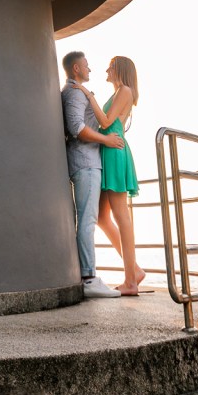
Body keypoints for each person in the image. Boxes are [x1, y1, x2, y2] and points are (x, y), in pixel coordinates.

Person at [60, 50, 124, 299]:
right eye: (86, 66)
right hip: (85, 163)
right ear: (76, 69)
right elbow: (76, 127)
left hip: (87, 162)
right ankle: (88, 278)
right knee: (87, 220)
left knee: (88, 219)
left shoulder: (76, 92)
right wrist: (106, 139)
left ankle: (87, 275)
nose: (90, 69)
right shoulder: (75, 93)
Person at [82, 55, 143, 295]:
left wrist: (90, 97)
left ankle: (131, 281)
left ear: (119, 69)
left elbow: (106, 122)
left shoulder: (125, 90)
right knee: (101, 216)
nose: (106, 69)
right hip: (107, 153)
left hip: (115, 153)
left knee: (121, 216)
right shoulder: (117, 93)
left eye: (110, 66)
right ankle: (135, 270)